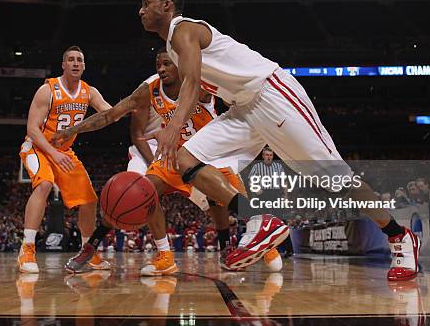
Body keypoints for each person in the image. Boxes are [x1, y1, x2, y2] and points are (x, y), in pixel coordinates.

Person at [137, 0, 420, 280]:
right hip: (244, 109)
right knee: (187, 159)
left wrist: (172, 127)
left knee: (338, 179)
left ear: (167, 5)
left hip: (272, 95)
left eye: (147, 3)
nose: (140, 10)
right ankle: (259, 220)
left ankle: (398, 235)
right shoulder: (172, 47)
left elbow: (192, 83)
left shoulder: (183, 29)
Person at [53, 50, 282, 274]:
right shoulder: (149, 90)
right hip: (177, 157)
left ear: (180, 65)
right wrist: (74, 129)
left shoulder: (200, 83)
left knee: (226, 197)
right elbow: (109, 115)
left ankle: (260, 241)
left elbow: (237, 93)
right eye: (158, 64)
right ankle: (164, 255)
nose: (161, 69)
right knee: (144, 191)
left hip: (211, 154)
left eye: (167, 64)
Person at [17, 46, 112, 273]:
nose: (76, 63)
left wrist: (131, 107)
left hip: (64, 152)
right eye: (71, 59)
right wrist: (54, 153)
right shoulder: (47, 90)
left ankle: (87, 252)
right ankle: (27, 249)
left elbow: (109, 112)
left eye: (79, 59)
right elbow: (32, 128)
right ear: (63, 65)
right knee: (45, 185)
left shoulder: (89, 92)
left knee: (89, 200)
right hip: (37, 148)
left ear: (84, 65)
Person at [127, 73, 162, 174]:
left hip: (180, 148)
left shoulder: (197, 83)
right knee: (133, 186)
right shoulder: (147, 88)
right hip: (148, 147)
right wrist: (154, 165)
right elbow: (137, 134)